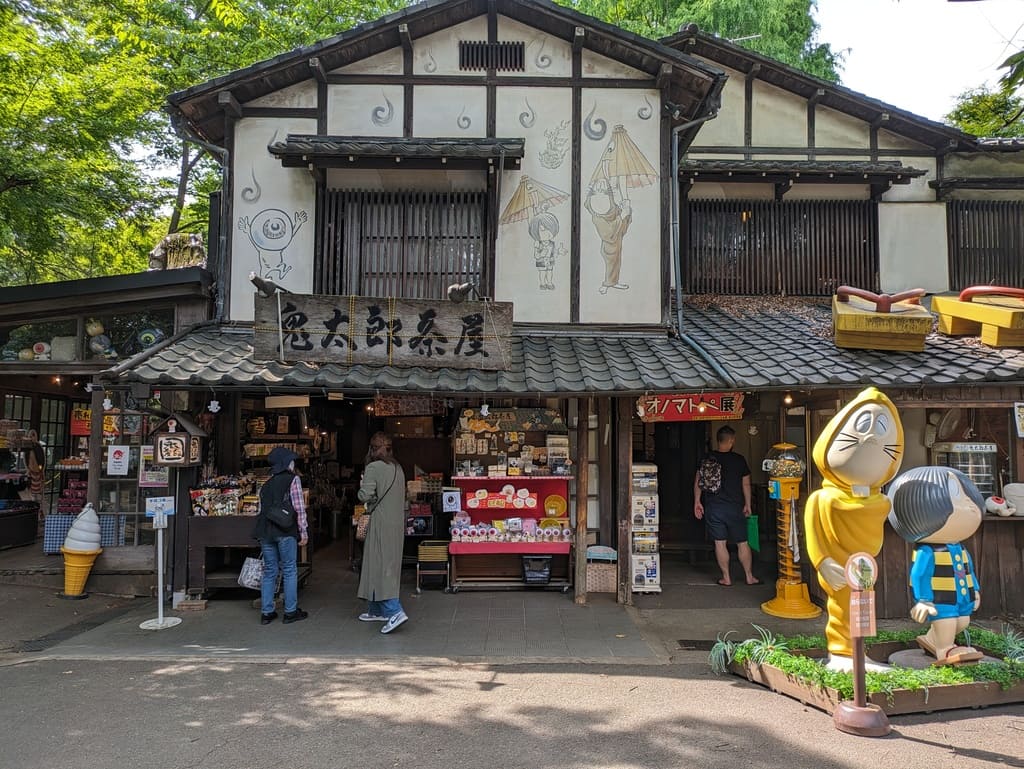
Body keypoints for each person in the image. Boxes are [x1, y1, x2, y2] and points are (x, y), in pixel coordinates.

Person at [693, 425, 759, 587]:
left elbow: (698, 482)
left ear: (718, 440)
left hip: (714, 507)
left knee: (719, 543)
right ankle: (749, 577)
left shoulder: (707, 458)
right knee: (742, 542)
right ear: (731, 441)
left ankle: (726, 578)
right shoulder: (739, 460)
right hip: (735, 508)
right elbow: (746, 484)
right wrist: (748, 504)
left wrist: (697, 502)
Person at [357, 431, 408, 634]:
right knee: (387, 564)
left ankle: (394, 610)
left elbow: (365, 495)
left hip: (380, 522)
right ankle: (375, 608)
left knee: (378, 564)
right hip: (396, 523)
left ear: (372, 449)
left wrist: (361, 485)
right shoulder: (397, 467)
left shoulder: (373, 467)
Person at [253, 447, 309, 625]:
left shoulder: (266, 484)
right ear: (287, 463)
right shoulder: (293, 480)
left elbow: (262, 509)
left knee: (270, 571)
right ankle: (290, 612)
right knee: (290, 569)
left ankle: (267, 612)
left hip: (265, 531)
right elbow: (299, 508)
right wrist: (303, 531)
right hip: (285, 530)